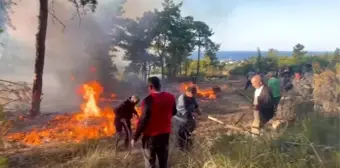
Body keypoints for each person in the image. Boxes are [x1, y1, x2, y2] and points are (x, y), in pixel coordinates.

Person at [131, 76, 176, 168]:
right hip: (165, 136)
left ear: (150, 87)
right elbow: (174, 112)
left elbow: (143, 121)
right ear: (159, 85)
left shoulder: (147, 100)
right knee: (163, 163)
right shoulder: (170, 97)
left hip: (150, 138)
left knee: (150, 164)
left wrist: (135, 137)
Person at [173, 86, 201, 151]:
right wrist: (194, 115)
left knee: (189, 134)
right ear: (188, 92)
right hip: (181, 120)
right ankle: (181, 149)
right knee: (181, 135)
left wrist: (199, 113)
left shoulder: (192, 97)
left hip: (189, 119)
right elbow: (185, 111)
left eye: (195, 93)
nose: (194, 95)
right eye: (193, 93)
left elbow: (196, 107)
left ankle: (189, 148)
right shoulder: (182, 98)